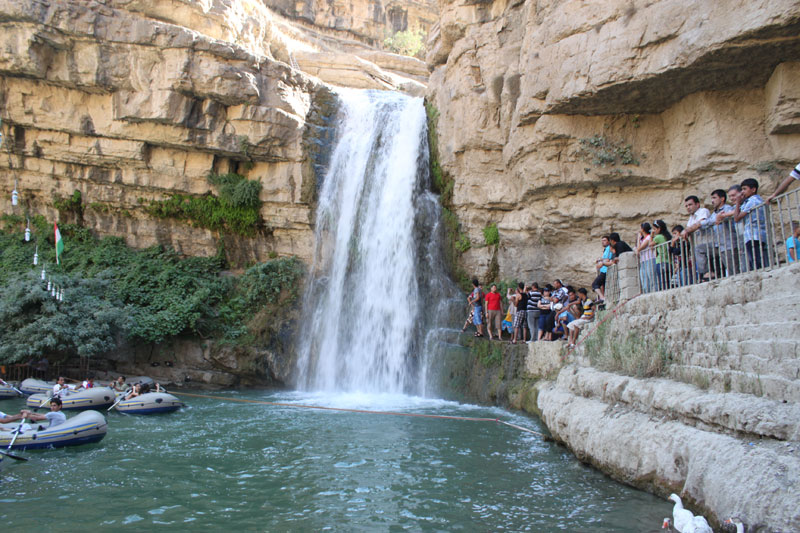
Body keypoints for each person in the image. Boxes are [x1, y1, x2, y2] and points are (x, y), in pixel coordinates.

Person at [734, 178, 770, 270]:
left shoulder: (752, 201)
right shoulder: (755, 200)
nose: (742, 192)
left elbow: (737, 218)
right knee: (758, 259)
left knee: (756, 261)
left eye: (744, 189)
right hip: (757, 234)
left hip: (753, 235)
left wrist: (738, 202)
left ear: (753, 189)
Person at [701, 189, 736, 278]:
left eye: (714, 198)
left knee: (734, 271)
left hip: (729, 244)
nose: (712, 201)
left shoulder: (727, 208)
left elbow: (717, 219)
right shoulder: (714, 213)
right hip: (720, 245)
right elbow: (708, 223)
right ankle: (706, 273)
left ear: (722, 199)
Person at [680, 195, 712, 282]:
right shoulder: (691, 218)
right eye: (686, 206)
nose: (688, 207)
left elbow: (701, 222)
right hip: (698, 245)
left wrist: (686, 231)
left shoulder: (703, 211)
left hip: (708, 242)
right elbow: (687, 231)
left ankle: (705, 274)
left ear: (697, 204)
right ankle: (703, 276)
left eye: (690, 205)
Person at [650, 220, 671, 290]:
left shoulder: (658, 237)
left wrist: (651, 236)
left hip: (661, 261)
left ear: (659, 229)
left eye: (655, 229)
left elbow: (650, 245)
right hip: (668, 262)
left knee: (662, 282)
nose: (654, 231)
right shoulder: (666, 236)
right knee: (668, 282)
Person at [636, 222, 655, 292]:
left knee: (651, 277)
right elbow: (638, 248)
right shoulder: (643, 239)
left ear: (643, 229)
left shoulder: (648, 237)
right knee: (644, 279)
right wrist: (639, 238)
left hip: (649, 259)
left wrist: (638, 237)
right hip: (643, 260)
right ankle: (647, 292)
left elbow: (639, 248)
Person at [593, 236, 613, 302]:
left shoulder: (609, 248)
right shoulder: (606, 249)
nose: (603, 242)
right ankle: (603, 298)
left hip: (605, 270)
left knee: (595, 284)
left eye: (604, 240)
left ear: (609, 241)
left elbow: (608, 259)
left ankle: (602, 297)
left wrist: (600, 260)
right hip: (603, 270)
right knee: (602, 285)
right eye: (602, 241)